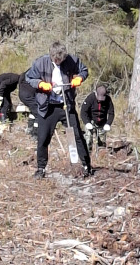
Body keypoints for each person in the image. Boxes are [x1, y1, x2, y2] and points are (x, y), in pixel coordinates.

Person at [25, 41, 92, 178]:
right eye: (56, 60)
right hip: (47, 107)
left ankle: (86, 166)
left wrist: (79, 78)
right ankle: (41, 169)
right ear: (51, 56)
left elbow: (84, 70)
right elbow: (29, 78)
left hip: (66, 104)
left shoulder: (71, 60)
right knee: (43, 138)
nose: (59, 62)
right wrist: (40, 84)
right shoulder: (40, 63)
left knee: (77, 136)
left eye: (61, 60)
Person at [80, 85, 115, 151]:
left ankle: (101, 155)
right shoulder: (90, 98)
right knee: (88, 139)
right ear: (96, 93)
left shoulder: (108, 100)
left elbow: (111, 113)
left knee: (102, 141)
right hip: (91, 120)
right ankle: (87, 155)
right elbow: (83, 112)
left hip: (102, 121)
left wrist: (108, 124)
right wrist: (87, 123)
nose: (100, 101)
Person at [18, 71, 39, 137]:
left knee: (33, 111)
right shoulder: (35, 72)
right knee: (39, 114)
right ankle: (35, 133)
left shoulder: (26, 73)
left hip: (23, 95)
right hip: (28, 96)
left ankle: (30, 127)